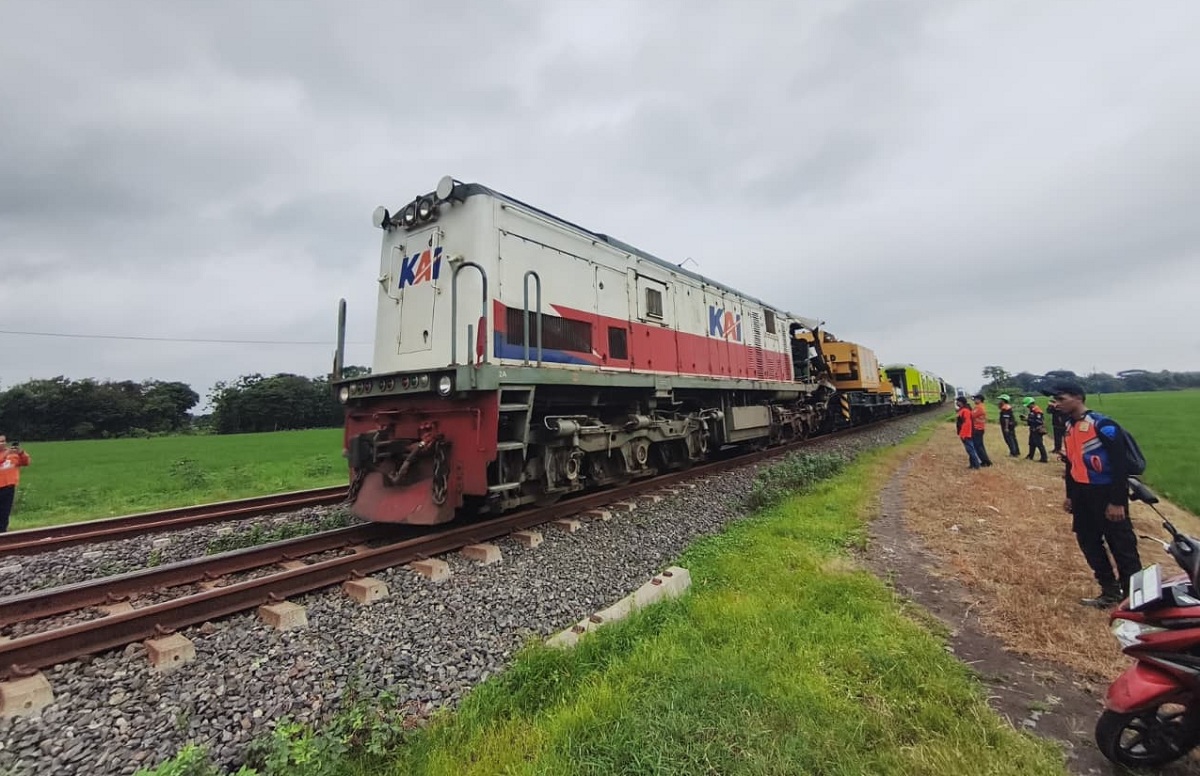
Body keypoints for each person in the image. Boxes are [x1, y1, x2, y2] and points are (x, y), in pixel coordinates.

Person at [1047, 381, 1143, 608]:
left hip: (1106, 493)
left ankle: (1134, 600)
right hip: (1082, 494)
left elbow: (1120, 467)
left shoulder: (1103, 425)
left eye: (1061, 399)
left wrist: (1117, 502)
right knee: (1088, 541)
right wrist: (1070, 495)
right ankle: (1109, 591)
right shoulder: (1069, 426)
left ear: (1078, 398)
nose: (1056, 404)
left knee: (1122, 547)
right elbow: (1071, 465)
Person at [0, 435, 32, 533]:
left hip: (8, 486)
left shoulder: (13, 454)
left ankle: (3, 532)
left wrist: (21, 452)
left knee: (5, 511)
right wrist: (6, 454)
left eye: (3, 441)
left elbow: (26, 462)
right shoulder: (7, 453)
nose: (2, 443)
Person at [955, 396, 982, 469]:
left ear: (961, 402)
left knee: (970, 450)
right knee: (970, 449)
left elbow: (967, 423)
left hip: (966, 433)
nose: (956, 403)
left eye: (957, 401)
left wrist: (964, 434)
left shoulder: (965, 411)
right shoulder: (963, 410)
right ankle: (973, 464)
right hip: (966, 433)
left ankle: (977, 465)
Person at [1020, 397, 1048, 463]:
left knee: (1039, 444)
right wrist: (1026, 418)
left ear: (1031, 404)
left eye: (1028, 405)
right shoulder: (1032, 410)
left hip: (1037, 430)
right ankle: (1030, 456)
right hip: (1033, 429)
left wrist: (1028, 419)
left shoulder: (1037, 411)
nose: (1027, 407)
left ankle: (1044, 458)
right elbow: (1033, 419)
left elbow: (1039, 421)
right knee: (1031, 444)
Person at [970, 394, 993, 466]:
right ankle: (985, 461)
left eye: (976, 399)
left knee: (978, 446)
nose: (974, 400)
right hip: (979, 428)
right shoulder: (979, 407)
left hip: (977, 428)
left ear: (979, 399)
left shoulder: (979, 408)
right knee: (979, 446)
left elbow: (971, 415)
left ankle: (985, 461)